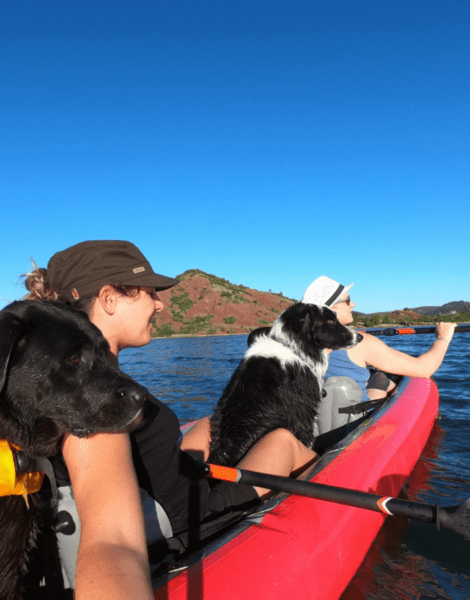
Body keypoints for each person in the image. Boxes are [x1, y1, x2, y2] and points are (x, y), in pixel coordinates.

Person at [23, 240, 317, 592]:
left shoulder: (70, 374)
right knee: (285, 442)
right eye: (149, 293)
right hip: (192, 518)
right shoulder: (97, 397)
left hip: (170, 490)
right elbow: (110, 539)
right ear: (109, 299)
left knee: (209, 425)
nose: (160, 305)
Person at [302, 276, 457, 403]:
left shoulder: (298, 341)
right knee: (382, 378)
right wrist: (443, 338)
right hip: (356, 423)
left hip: (319, 423)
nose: (353, 305)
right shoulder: (360, 343)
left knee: (378, 378)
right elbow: (424, 369)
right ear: (332, 309)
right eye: (348, 300)